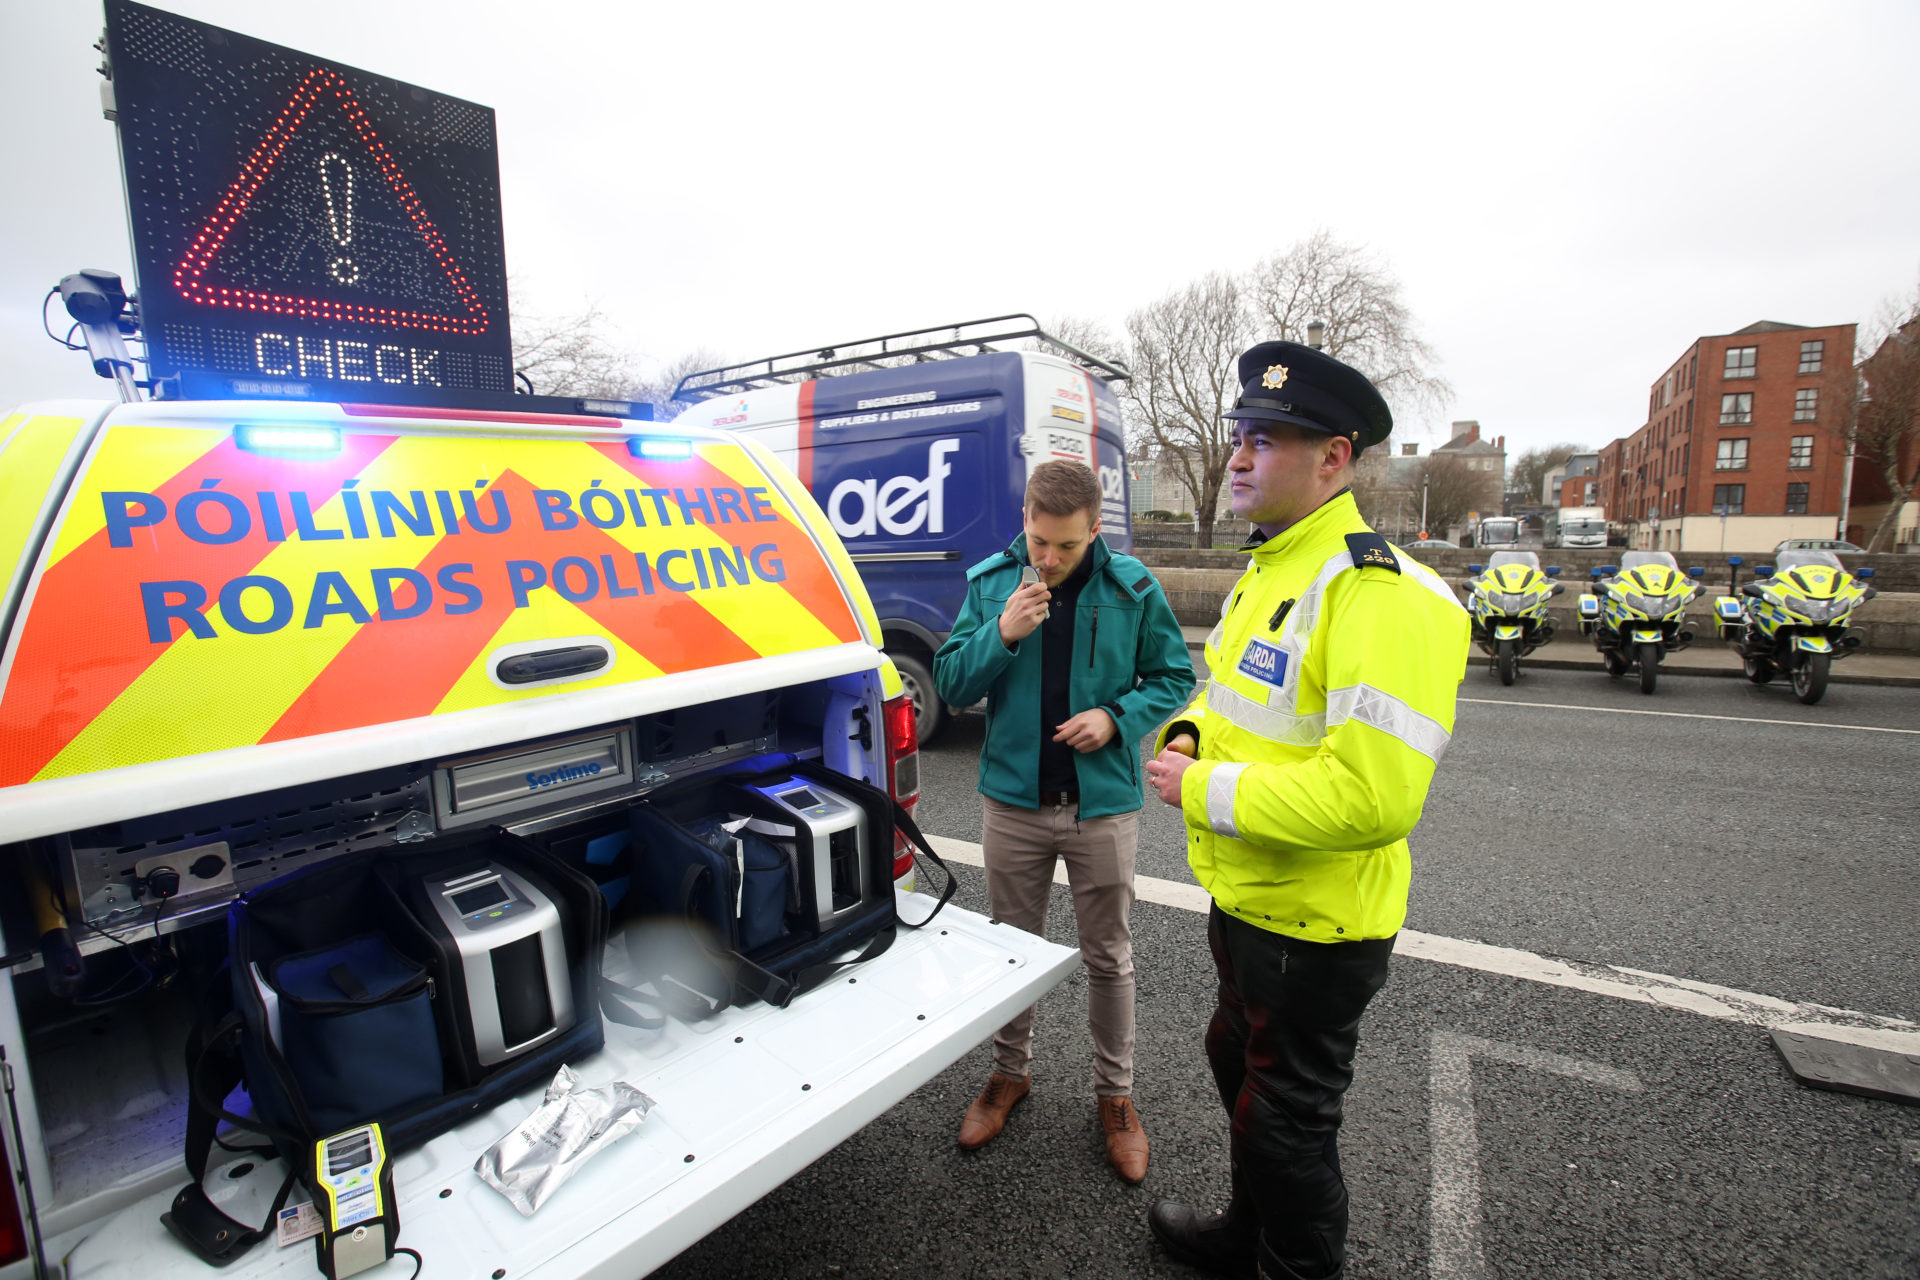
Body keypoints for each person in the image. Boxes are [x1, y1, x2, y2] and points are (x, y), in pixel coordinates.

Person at [1142, 342, 1468, 1279]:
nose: (1240, 456)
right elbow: (1226, 694)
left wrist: (1200, 790)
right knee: (1238, 1072)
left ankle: (1294, 1264)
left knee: (1288, 1126)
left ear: (1335, 457)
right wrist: (1190, 735)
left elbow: (1374, 795)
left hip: (1317, 924)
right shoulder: (1276, 568)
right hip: (1248, 898)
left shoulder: (1377, 592)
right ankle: (1249, 1233)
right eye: (1240, 436)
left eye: (1269, 439)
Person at [933, 458, 1194, 1183]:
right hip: (1013, 806)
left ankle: (1115, 1097)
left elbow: (1174, 677)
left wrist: (1117, 719)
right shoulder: (993, 585)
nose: (1048, 561)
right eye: (1040, 542)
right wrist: (1003, 633)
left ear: (1095, 530)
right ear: (1025, 519)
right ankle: (1009, 1074)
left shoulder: (1132, 587)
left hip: (1101, 806)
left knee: (1108, 956)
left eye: (1066, 547)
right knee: (1013, 950)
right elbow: (951, 682)